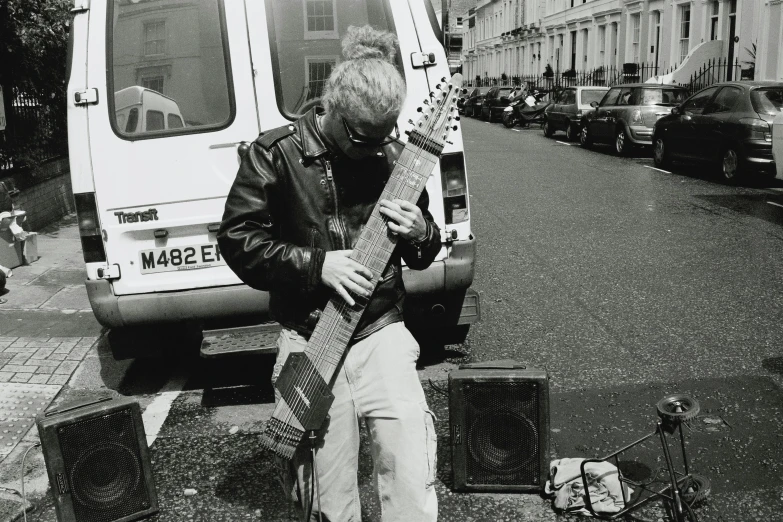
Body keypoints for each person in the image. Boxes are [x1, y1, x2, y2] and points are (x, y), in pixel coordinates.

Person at [217, 25, 440, 521]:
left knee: (411, 473)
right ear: (333, 111)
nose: (377, 148)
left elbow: (424, 255)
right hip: (310, 337)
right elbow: (237, 241)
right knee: (326, 494)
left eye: (388, 135)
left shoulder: (393, 156)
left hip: (381, 331)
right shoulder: (275, 154)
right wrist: (318, 265)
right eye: (365, 138)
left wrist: (422, 229)